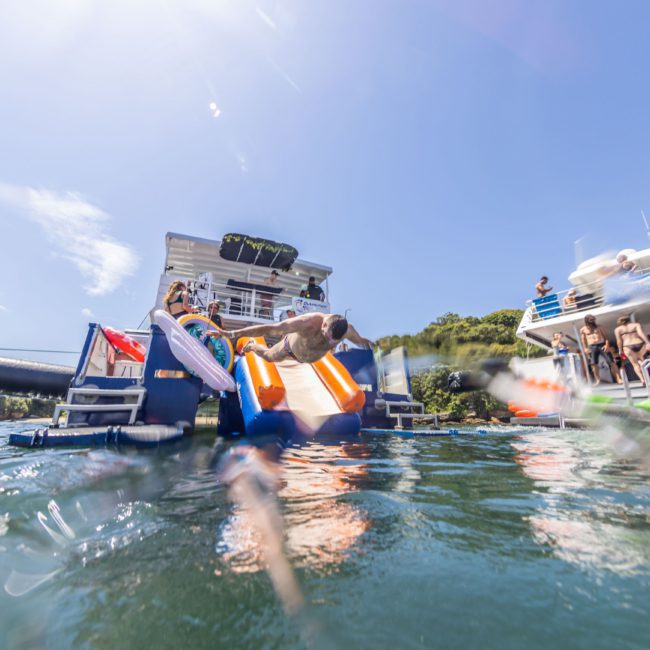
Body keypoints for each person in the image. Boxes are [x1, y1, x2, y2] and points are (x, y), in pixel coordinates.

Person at [208, 312, 373, 364]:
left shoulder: (346, 330)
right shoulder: (306, 322)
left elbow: (360, 341)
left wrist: (375, 345)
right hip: (288, 348)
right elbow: (270, 329)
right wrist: (232, 334)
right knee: (268, 357)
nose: (330, 343)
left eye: (334, 342)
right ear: (323, 325)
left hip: (307, 360)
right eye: (328, 337)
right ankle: (252, 345)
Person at [580, 314, 621, 385]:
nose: (592, 322)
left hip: (601, 345)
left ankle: (619, 378)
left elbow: (606, 337)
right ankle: (598, 380)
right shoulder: (583, 329)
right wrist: (585, 348)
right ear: (587, 321)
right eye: (590, 320)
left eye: (593, 320)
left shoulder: (599, 327)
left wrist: (607, 345)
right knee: (593, 364)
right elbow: (583, 340)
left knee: (611, 362)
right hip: (591, 346)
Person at [615, 315, 650, 385]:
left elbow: (619, 341)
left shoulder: (618, 329)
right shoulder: (636, 325)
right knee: (642, 361)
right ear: (629, 320)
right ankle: (647, 376)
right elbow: (641, 334)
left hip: (628, 346)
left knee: (635, 364)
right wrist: (648, 342)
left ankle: (642, 379)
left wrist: (620, 350)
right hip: (640, 344)